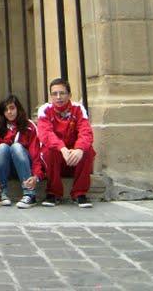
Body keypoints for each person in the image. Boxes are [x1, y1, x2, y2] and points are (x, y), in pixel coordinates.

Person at [37, 78, 96, 208]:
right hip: (57, 156)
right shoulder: (45, 110)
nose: (58, 97)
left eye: (62, 93)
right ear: (50, 96)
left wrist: (79, 149)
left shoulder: (78, 109)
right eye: (54, 94)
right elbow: (45, 134)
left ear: (69, 95)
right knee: (48, 151)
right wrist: (62, 148)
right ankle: (53, 193)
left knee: (88, 150)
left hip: (74, 157)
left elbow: (85, 131)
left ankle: (79, 193)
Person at [0, 94, 43, 209]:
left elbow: (36, 153)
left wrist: (37, 176)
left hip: (24, 167)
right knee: (2, 147)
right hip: (4, 168)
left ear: (18, 108)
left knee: (16, 147)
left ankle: (29, 194)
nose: (9, 112)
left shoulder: (29, 126)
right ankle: (2, 192)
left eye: (12, 108)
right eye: (6, 110)